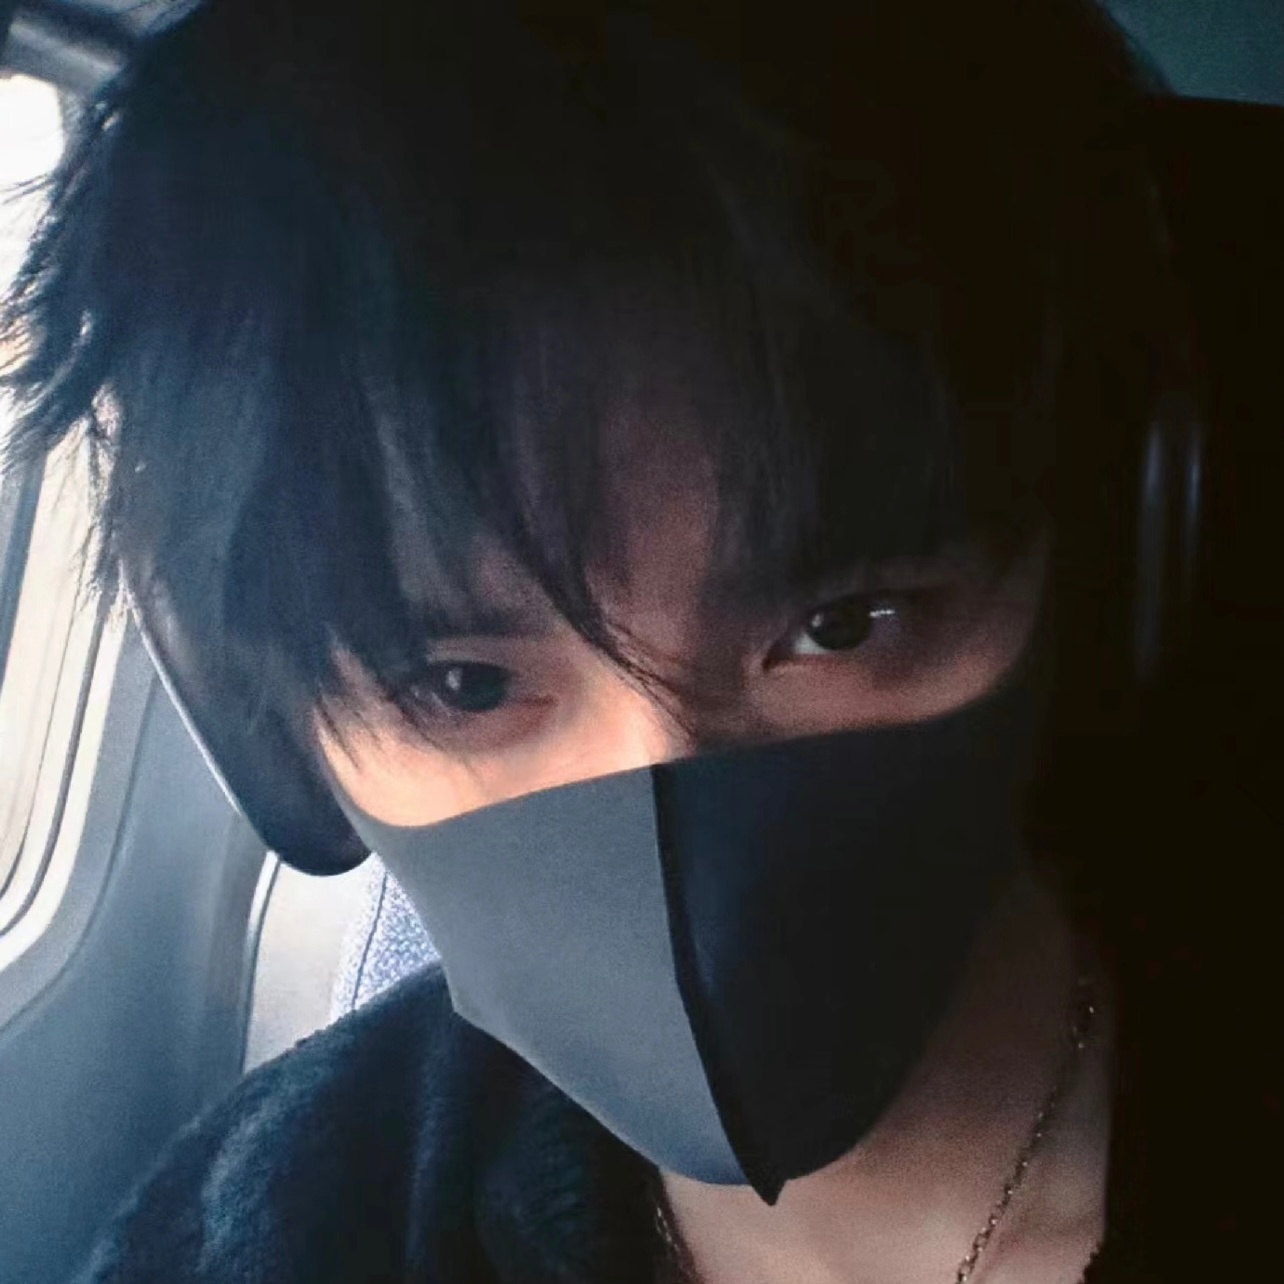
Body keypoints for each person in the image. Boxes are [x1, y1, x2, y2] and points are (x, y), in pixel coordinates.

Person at [1, 1, 1276, 1280]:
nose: (662, 808)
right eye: (464, 684)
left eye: (839, 627)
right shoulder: (263, 1230)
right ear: (274, 737)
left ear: (1101, 574)